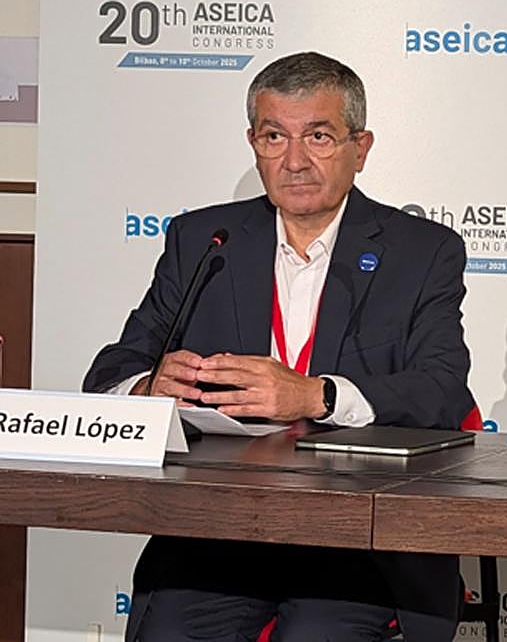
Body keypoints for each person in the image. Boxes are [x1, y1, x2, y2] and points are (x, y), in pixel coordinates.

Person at [83, 51, 475, 642]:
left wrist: (316, 396)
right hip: (222, 531)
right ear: (253, 143)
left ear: (360, 147)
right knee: (171, 628)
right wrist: (146, 386)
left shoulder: (421, 251)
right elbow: (109, 374)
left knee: (317, 634)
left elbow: (441, 389)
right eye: (274, 137)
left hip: (357, 540)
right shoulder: (204, 240)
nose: (294, 160)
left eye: (318, 136)